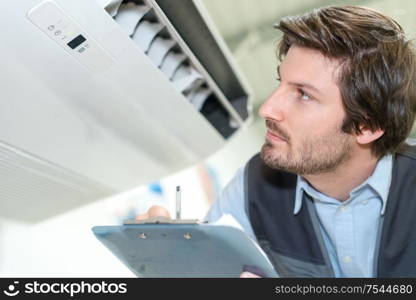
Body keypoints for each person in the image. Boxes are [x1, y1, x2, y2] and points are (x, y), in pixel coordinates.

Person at [136, 5, 416, 277]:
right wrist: (176, 267)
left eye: (304, 95)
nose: (267, 108)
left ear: (367, 126)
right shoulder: (251, 187)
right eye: (280, 82)